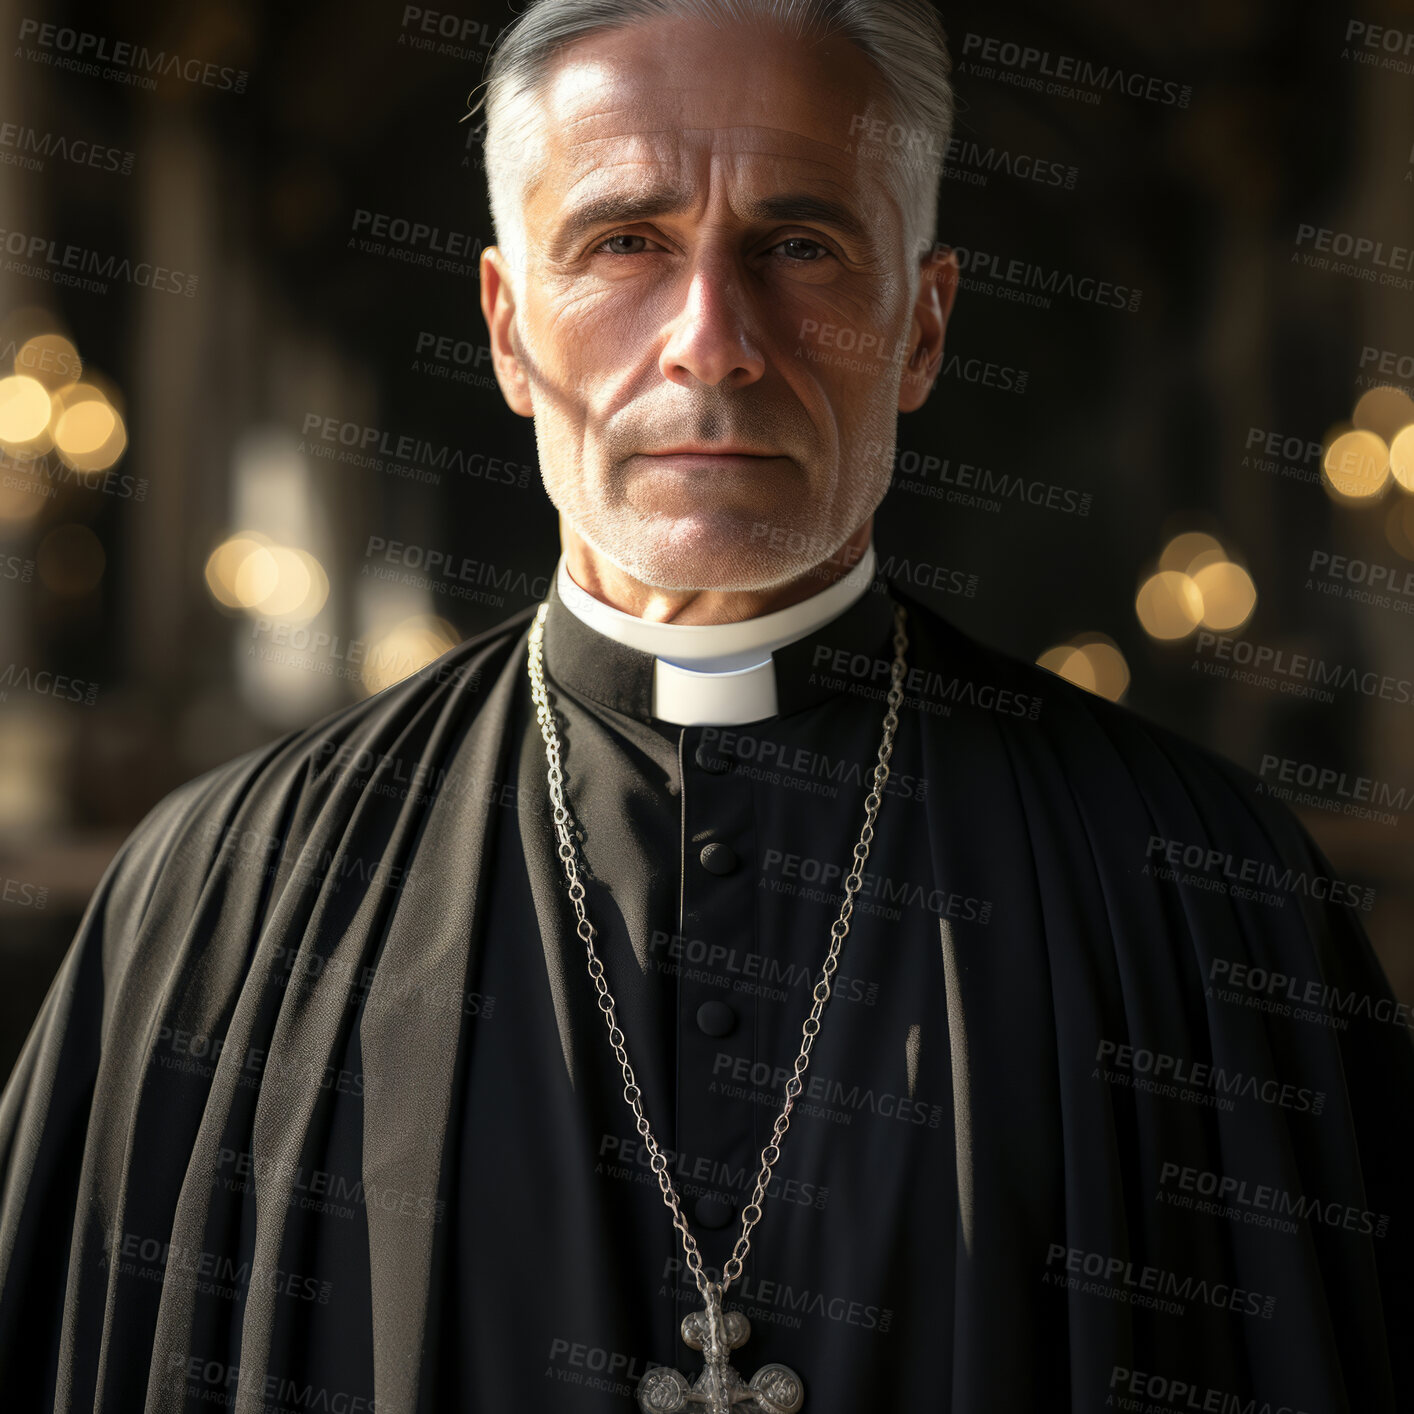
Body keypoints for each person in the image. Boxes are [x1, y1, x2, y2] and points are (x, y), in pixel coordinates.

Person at [2, 1, 1410, 1410]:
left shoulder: (1202, 891)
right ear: (505, 328)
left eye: (799, 246)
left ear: (919, 327)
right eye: (625, 243)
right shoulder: (222, 896)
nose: (712, 343)